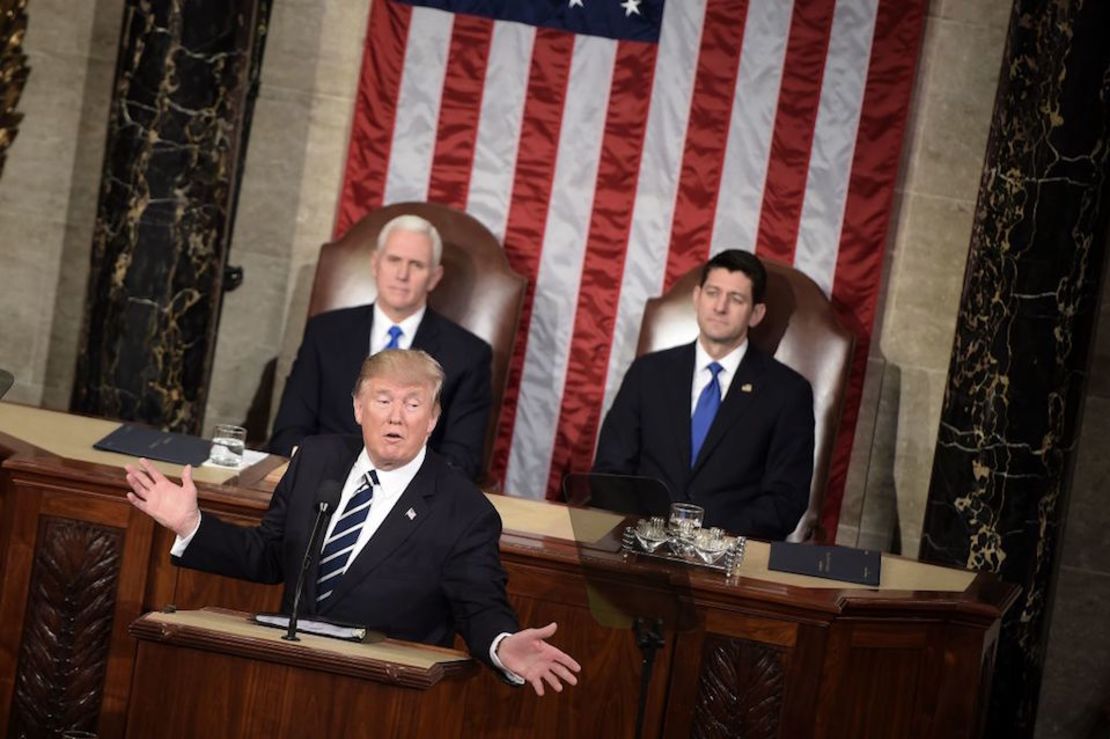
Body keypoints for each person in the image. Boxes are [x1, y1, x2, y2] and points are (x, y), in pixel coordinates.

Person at [126, 350, 579, 696]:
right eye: (383, 400)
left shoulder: (464, 510)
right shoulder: (316, 459)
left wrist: (502, 644)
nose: (396, 416)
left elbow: (479, 605)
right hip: (283, 676)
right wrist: (192, 524)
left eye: (413, 404)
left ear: (433, 419)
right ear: (359, 407)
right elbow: (268, 555)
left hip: (382, 693)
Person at [593, 250, 814, 540]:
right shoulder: (648, 373)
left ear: (756, 314)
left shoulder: (787, 393)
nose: (720, 307)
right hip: (641, 548)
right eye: (713, 293)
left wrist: (713, 541)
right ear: (697, 297)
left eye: (736, 299)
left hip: (730, 559)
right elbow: (611, 472)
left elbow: (784, 500)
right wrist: (646, 533)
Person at [268, 214, 491, 481]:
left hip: (409, 501)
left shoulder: (468, 354)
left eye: (416, 265)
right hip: (322, 483)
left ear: (434, 277)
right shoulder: (324, 333)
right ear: (376, 264)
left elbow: (462, 458)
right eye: (394, 260)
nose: (402, 274)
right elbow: (288, 432)